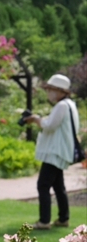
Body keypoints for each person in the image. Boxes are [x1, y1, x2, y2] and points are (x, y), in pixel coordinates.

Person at [24, 74, 80, 230]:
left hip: (55, 151)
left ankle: (44, 221)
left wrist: (36, 119)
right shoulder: (70, 104)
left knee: (43, 185)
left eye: (50, 89)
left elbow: (49, 125)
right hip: (61, 150)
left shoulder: (62, 106)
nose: (48, 93)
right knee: (58, 185)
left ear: (60, 91)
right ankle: (63, 218)